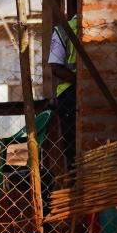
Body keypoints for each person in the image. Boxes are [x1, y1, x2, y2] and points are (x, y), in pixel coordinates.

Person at [46, 18, 79, 171]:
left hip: (69, 91)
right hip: (75, 90)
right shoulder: (104, 22)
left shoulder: (62, 30)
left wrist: (77, 81)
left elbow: (55, 66)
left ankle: (73, 171)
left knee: (71, 140)